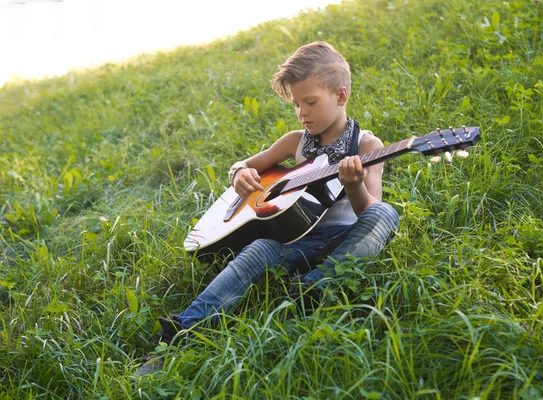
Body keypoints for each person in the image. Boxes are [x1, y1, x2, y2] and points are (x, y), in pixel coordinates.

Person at [134, 41, 399, 376]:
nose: (302, 113)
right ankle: (180, 334)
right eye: (296, 105)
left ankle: (313, 290)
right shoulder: (295, 142)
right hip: (296, 242)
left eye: (311, 102)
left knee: (386, 213)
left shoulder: (367, 146)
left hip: (348, 238)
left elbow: (369, 212)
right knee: (258, 248)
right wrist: (239, 173)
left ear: (341, 96)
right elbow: (244, 165)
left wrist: (354, 184)